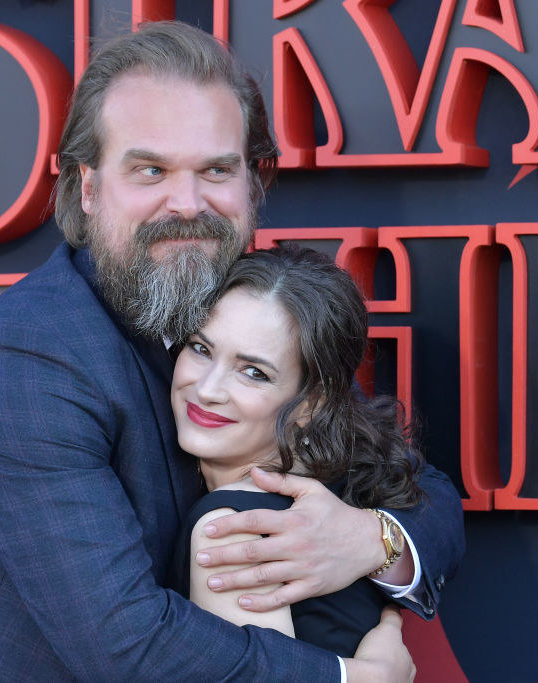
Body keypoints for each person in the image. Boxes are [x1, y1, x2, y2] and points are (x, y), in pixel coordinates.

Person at [0, 20, 463, 682]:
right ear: (88, 188)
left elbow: (418, 485)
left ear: (251, 187)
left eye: (216, 170)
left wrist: (366, 540)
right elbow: (125, 643)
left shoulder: (234, 307)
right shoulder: (26, 361)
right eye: (151, 169)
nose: (187, 203)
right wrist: (351, 681)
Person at [169, 246, 424, 660]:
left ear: (311, 405)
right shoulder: (331, 490)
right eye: (201, 349)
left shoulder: (235, 529)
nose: (207, 390)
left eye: (254, 372)